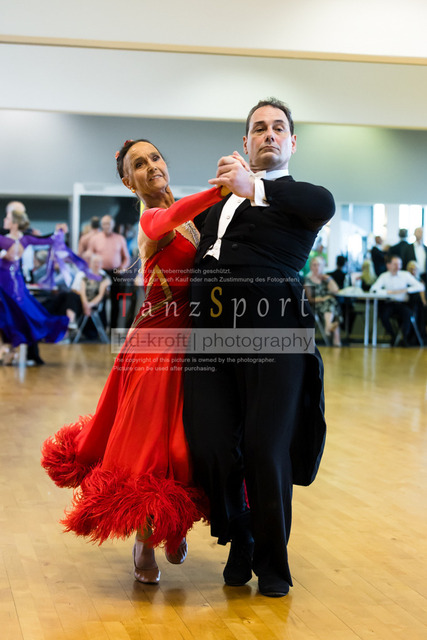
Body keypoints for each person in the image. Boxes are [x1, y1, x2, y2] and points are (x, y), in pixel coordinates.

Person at [41, 138, 228, 585]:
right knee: (148, 445)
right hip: (154, 346)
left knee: (185, 440)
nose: (151, 166)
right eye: (139, 164)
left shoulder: (190, 220)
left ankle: (173, 522)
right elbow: (166, 218)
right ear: (129, 182)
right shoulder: (152, 220)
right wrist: (219, 190)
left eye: (155, 158)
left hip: (191, 344)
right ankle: (144, 541)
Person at [183, 98, 335, 597]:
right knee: (208, 442)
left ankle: (273, 562)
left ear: (292, 142)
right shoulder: (216, 205)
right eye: (259, 128)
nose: (269, 134)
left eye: (279, 128)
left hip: (276, 333)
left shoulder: (301, 198)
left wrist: (255, 187)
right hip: (209, 337)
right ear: (245, 142)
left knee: (265, 448)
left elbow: (323, 205)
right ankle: (240, 533)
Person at [0, 205, 69, 365]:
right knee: (18, 315)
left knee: (13, 315)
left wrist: (58, 232)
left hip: (7, 285)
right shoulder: (25, 240)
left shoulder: (5, 240)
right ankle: (9, 349)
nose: (4, 220)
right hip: (15, 284)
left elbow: (46, 240)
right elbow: (47, 239)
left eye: (7, 218)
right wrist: (58, 232)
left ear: (14, 223)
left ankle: (10, 349)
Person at [86, 215, 130, 329]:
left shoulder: (120, 238)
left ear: (113, 225)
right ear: (101, 225)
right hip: (100, 273)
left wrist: (123, 268)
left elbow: (126, 258)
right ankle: (100, 328)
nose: (106, 226)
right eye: (104, 224)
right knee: (100, 300)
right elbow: (89, 255)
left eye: (108, 224)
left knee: (115, 301)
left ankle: (113, 328)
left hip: (115, 272)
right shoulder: (95, 239)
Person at [370, 255, 424, 345]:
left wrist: (406, 290)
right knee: (383, 315)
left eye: (399, 264)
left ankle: (404, 337)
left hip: (402, 304)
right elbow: (373, 290)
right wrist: (388, 292)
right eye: (395, 264)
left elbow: (420, 286)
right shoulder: (384, 276)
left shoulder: (405, 275)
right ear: (389, 265)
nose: (398, 266)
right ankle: (393, 336)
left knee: (408, 314)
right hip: (389, 303)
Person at [305, 256, 342, 346]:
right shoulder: (308, 280)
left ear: (322, 267)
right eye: (314, 265)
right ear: (311, 267)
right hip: (316, 306)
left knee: (331, 304)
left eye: (319, 265)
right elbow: (309, 299)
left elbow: (336, 290)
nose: (317, 267)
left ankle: (328, 327)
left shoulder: (326, 279)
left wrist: (329, 279)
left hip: (329, 305)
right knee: (332, 305)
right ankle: (333, 334)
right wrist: (324, 299)